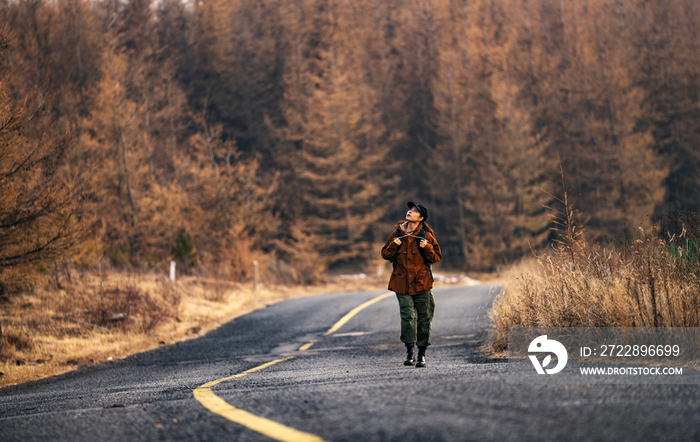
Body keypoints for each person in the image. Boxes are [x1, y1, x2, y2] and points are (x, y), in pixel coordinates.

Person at [381, 201, 442, 367]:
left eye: (415, 211)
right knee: (408, 318)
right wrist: (394, 245)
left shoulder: (426, 235)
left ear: (421, 218)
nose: (410, 212)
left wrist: (427, 247)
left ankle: (421, 354)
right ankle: (410, 352)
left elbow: (436, 257)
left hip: (422, 283)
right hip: (401, 284)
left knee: (424, 318)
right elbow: (385, 254)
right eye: (410, 209)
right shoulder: (396, 234)